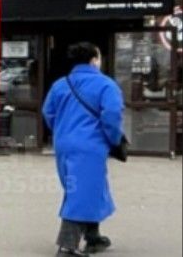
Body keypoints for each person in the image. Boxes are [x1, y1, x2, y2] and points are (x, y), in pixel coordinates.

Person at [42, 42, 124, 256]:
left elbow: (48, 113)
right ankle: (67, 246)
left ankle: (93, 237)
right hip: (90, 146)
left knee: (85, 188)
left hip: (64, 144)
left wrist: (62, 131)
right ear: (94, 60)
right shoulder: (106, 85)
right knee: (81, 193)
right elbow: (112, 116)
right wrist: (114, 140)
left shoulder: (60, 85)